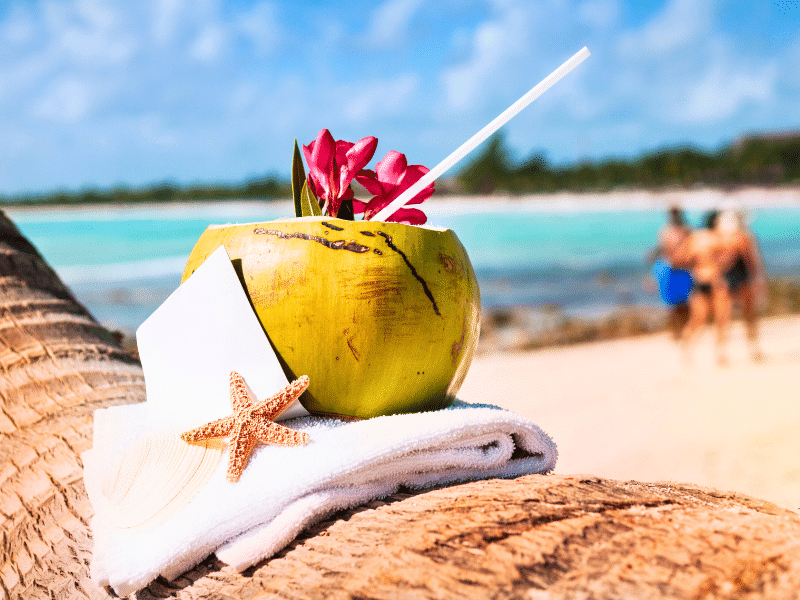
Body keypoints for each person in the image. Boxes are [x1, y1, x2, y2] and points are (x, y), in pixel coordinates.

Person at [674, 210, 731, 365]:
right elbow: (728, 259)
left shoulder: (694, 238)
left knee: (696, 320)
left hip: (698, 280)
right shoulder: (718, 238)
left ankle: (686, 353)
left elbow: (679, 259)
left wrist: (696, 263)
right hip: (715, 281)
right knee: (721, 319)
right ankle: (720, 353)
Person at [716, 209, 766, 361]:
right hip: (742, 278)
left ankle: (721, 352)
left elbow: (715, 262)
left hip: (724, 279)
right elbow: (751, 261)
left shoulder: (719, 238)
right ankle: (754, 348)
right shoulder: (742, 238)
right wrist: (757, 280)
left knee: (724, 317)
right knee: (748, 314)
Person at [649, 206, 693, 339]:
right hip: (671, 269)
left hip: (684, 269)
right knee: (672, 304)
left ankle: (684, 329)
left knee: (685, 303)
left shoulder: (686, 230)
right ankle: (676, 331)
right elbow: (661, 249)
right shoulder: (666, 231)